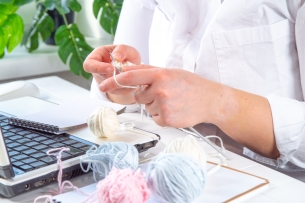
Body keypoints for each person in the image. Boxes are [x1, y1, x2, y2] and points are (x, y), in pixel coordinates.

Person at [83, 0, 305, 179]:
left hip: (267, 184)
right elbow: (125, 95)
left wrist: (218, 104)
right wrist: (120, 83)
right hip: (160, 171)